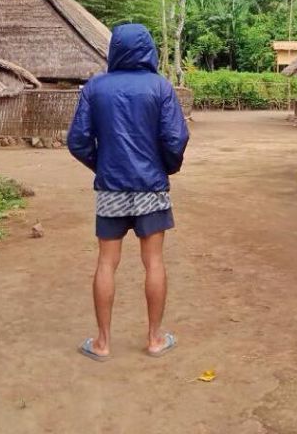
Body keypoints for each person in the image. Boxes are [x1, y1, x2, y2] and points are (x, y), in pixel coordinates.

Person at [67, 23, 190, 361]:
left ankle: (103, 343)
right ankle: (154, 339)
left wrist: (101, 164)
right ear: (148, 49)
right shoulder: (160, 87)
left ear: (115, 50)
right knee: (154, 262)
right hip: (151, 186)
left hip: (111, 188)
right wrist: (165, 167)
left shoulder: (96, 87)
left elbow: (77, 141)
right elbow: (176, 138)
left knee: (107, 262)